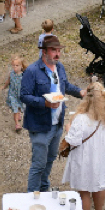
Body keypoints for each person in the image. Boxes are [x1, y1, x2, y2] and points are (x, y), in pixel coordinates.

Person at [20, 34, 85, 193]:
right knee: (38, 164)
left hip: (57, 125)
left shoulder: (60, 67)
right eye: (53, 50)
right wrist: (45, 103)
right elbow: (24, 95)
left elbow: (66, 86)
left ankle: (43, 189)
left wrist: (80, 92)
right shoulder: (32, 71)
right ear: (44, 51)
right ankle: (32, 197)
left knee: (49, 160)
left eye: (58, 50)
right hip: (40, 125)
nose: (57, 54)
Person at [62, 83, 105, 210]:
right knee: (98, 186)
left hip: (85, 158)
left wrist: (68, 128)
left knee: (84, 190)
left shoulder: (81, 119)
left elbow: (73, 140)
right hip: (101, 157)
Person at [3, 54, 27, 133]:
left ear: (21, 66)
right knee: (15, 110)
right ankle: (17, 124)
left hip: (20, 96)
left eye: (17, 65)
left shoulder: (24, 76)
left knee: (19, 107)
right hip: (13, 95)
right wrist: (4, 86)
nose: (15, 67)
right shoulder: (11, 74)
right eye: (13, 65)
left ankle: (19, 113)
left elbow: (28, 85)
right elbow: (8, 81)